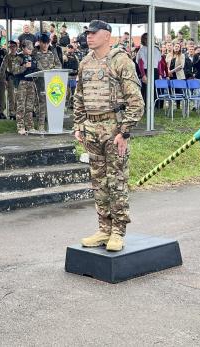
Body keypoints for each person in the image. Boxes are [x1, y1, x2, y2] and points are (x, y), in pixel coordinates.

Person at [73, 20, 144, 252]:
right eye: (88, 34)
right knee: (98, 182)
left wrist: (125, 131)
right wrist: (79, 125)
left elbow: (136, 101)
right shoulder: (85, 62)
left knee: (117, 181)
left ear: (106, 35)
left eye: (94, 33)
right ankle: (104, 228)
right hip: (92, 128)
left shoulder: (120, 60)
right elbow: (79, 96)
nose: (89, 37)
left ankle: (118, 231)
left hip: (113, 128)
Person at [33, 33, 62, 130]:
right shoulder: (36, 54)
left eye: (47, 43)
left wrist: (53, 71)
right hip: (40, 81)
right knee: (41, 103)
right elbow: (34, 67)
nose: (45, 45)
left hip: (52, 82)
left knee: (53, 102)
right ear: (39, 43)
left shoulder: (52, 54)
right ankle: (41, 125)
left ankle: (53, 125)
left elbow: (59, 65)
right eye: (43, 43)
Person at [10, 40, 39, 135]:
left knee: (30, 106)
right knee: (21, 106)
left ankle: (30, 126)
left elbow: (37, 69)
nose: (30, 50)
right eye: (28, 48)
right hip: (21, 83)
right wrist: (24, 67)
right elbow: (14, 71)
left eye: (31, 48)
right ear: (23, 48)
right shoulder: (18, 58)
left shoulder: (33, 57)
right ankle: (21, 127)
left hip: (31, 83)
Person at [3, 40, 20, 120]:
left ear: (16, 47)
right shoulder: (7, 57)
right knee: (11, 97)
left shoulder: (20, 57)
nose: (12, 48)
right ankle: (12, 113)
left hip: (18, 79)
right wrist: (4, 79)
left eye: (13, 46)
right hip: (10, 78)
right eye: (10, 47)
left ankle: (17, 112)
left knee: (18, 96)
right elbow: (2, 69)